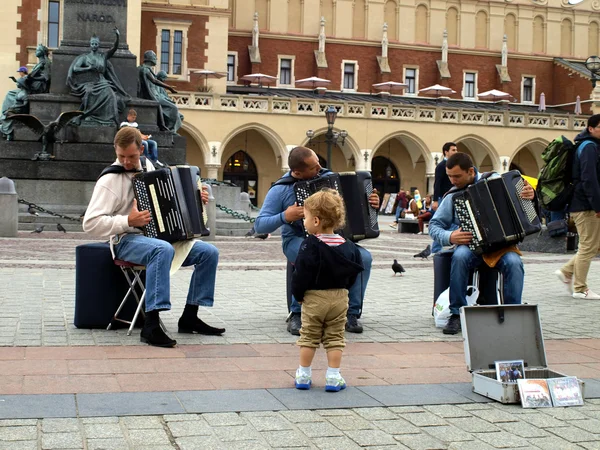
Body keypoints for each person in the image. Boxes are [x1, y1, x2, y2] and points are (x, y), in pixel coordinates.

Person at [83, 127, 225, 348]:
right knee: (162, 250)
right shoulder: (110, 179)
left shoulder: (153, 168)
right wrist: (128, 221)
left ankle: (190, 316)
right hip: (125, 241)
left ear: (141, 149)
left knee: (209, 253)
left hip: (159, 239)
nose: (126, 162)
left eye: (131, 156)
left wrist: (198, 197)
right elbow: (90, 224)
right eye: (121, 156)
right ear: (115, 150)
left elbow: (175, 199)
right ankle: (151, 324)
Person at [254, 146, 379, 335]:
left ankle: (351, 313)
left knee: (365, 258)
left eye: (318, 162)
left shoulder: (330, 178)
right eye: (313, 167)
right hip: (296, 239)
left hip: (335, 237)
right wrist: (285, 216)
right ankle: (297, 314)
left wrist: (370, 204)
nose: (319, 168)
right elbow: (260, 226)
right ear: (297, 172)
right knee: (311, 255)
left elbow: (353, 209)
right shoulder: (280, 189)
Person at [428, 152, 535, 335]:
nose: (452, 181)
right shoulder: (453, 196)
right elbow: (434, 225)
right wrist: (450, 236)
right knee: (460, 257)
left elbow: (525, 203)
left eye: (457, 176)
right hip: (470, 245)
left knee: (514, 263)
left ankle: (512, 314)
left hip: (502, 246)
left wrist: (529, 195)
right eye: (449, 176)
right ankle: (456, 313)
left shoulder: (496, 181)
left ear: (471, 171)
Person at [292, 189, 364, 392]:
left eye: (305, 217)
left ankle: (303, 375)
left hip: (314, 298)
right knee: (335, 337)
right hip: (340, 298)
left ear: (315, 221)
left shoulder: (310, 245)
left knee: (309, 336)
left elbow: (300, 274)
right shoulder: (349, 246)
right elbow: (355, 272)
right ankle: (333, 377)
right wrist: (344, 290)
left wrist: (298, 296)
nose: (303, 221)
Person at [555, 115, 600, 299]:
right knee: (588, 246)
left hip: (583, 203)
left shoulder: (588, 145)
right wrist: (597, 205)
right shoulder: (589, 147)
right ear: (591, 128)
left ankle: (567, 271)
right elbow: (589, 179)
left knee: (592, 245)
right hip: (585, 204)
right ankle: (580, 289)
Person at [67, 29, 129, 126]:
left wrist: (117, 37)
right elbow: (75, 68)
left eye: (96, 44)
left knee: (111, 94)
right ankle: (89, 116)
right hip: (88, 81)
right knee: (89, 92)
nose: (94, 46)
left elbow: (114, 48)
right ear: (90, 44)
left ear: (98, 45)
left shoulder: (103, 56)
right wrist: (88, 68)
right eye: (92, 44)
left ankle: (109, 119)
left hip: (102, 81)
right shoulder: (85, 57)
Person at [137, 51, 182, 134]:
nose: (156, 59)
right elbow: (154, 81)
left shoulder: (142, 68)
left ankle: (168, 128)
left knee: (173, 109)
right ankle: (170, 130)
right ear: (150, 58)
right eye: (154, 57)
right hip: (153, 96)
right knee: (173, 108)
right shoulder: (145, 69)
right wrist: (170, 88)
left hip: (153, 95)